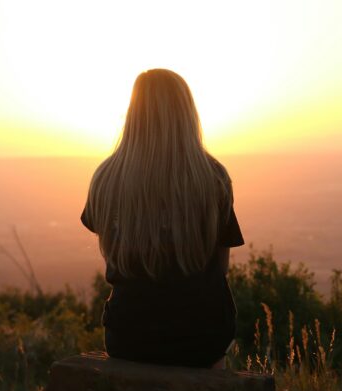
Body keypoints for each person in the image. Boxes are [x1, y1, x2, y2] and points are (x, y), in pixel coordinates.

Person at [81, 68, 245, 368]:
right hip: (203, 336)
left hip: (129, 336)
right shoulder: (213, 178)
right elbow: (220, 268)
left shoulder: (106, 178)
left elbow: (112, 251)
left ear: (133, 113)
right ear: (187, 114)